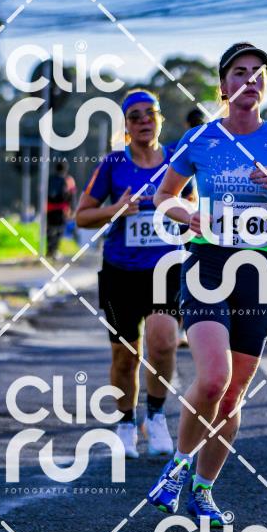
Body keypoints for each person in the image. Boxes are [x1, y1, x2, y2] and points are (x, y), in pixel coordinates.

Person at [147, 42, 267, 525]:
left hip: (257, 272)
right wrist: (189, 214)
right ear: (223, 85)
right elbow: (163, 196)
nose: (249, 80)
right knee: (214, 378)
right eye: (239, 72)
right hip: (209, 266)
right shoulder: (200, 139)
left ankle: (203, 491)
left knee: (233, 394)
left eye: (258, 73)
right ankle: (177, 467)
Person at [75, 89, 181, 459]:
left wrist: (177, 207)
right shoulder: (113, 164)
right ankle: (125, 422)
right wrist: (116, 209)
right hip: (121, 270)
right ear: (126, 125)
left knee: (164, 341)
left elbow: (196, 202)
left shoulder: (178, 160)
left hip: (166, 268)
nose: (143, 121)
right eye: (134, 116)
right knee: (126, 355)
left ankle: (156, 416)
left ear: (160, 119)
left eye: (150, 113)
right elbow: (82, 215)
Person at [46, 161, 76, 258]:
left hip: (49, 208)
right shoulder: (69, 180)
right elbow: (72, 196)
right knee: (60, 229)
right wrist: (72, 209)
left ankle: (49, 249)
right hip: (62, 208)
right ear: (66, 169)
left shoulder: (49, 179)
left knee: (50, 228)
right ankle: (55, 250)